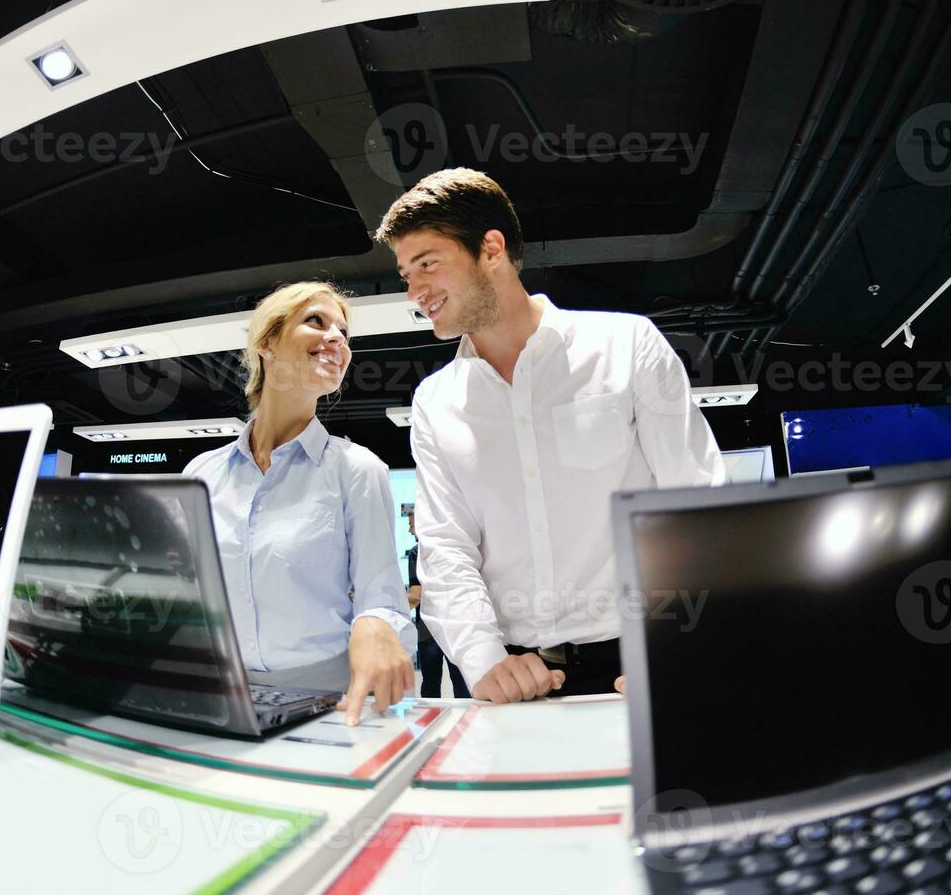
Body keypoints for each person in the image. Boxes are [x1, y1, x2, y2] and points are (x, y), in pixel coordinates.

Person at [377, 168, 725, 703]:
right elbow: (446, 546)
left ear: (491, 249)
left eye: (427, 264)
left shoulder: (626, 345)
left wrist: (679, 642)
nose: (415, 290)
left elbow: (695, 500)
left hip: (638, 663)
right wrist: (483, 661)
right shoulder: (435, 400)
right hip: (509, 677)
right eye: (406, 274)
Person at [183, 282, 415, 724]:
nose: (338, 340)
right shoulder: (201, 475)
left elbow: (381, 598)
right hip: (219, 694)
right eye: (317, 322)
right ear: (267, 343)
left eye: (344, 333)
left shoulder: (357, 470)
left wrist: (380, 626)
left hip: (329, 703)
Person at [403, 506, 470, 698]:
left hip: (429, 629)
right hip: (454, 626)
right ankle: (467, 724)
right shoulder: (452, 550)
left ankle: (428, 723)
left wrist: (394, 609)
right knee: (461, 682)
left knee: (431, 683)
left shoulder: (417, 553)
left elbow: (416, 594)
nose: (409, 530)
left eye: (412, 525)